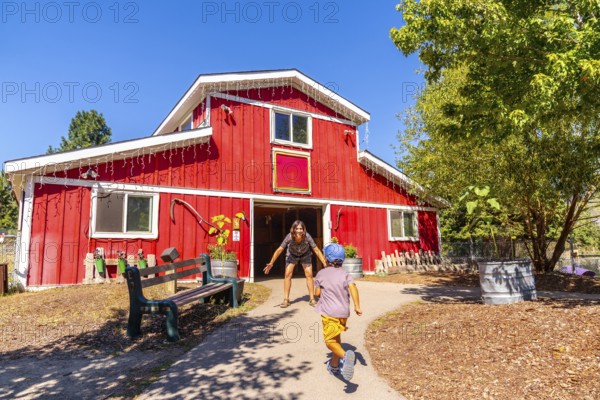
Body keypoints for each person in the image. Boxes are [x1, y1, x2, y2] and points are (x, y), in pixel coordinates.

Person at [314, 243, 362, 381]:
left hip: (329, 313)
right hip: (343, 313)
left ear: (327, 259)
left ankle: (345, 356)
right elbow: (353, 287)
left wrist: (321, 291)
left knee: (329, 341)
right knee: (336, 338)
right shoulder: (345, 274)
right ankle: (334, 366)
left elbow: (317, 293)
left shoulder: (321, 274)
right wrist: (357, 306)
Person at [263, 220, 328, 308]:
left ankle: (312, 299)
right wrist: (271, 262)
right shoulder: (289, 237)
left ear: (303, 230)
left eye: (301, 229)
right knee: (287, 274)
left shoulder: (307, 236)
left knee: (309, 274)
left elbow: (316, 249)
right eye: (297, 228)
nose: (299, 231)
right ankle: (286, 300)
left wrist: (324, 262)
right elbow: (280, 249)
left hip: (305, 254)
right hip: (292, 255)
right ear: (293, 229)